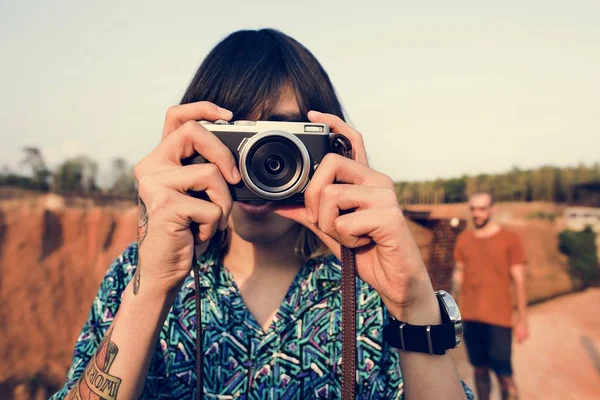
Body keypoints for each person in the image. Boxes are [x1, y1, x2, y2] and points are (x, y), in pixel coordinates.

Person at [51, 29, 473, 399]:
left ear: (332, 147)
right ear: (190, 141)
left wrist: (413, 303)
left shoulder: (366, 291)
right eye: (234, 136)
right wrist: (154, 287)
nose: (258, 162)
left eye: (280, 139)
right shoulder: (137, 274)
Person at [453, 192, 528, 400]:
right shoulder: (464, 239)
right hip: (470, 317)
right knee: (479, 370)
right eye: (473, 209)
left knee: (504, 375)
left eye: (482, 208)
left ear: (492, 209)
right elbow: (458, 276)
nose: (477, 214)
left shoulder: (509, 239)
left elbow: (520, 282)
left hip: (499, 319)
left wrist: (522, 320)